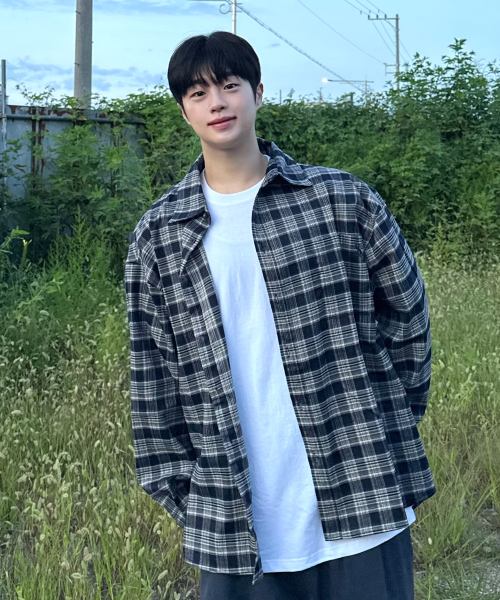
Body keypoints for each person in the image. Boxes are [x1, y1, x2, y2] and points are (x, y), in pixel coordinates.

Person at [124, 30, 435, 600]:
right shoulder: (159, 235)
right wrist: (189, 495)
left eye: (229, 85)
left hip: (362, 490)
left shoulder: (341, 200)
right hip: (235, 520)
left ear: (258, 92)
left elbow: (408, 317)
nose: (217, 102)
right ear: (184, 111)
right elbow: (153, 379)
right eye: (197, 93)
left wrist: (386, 421)